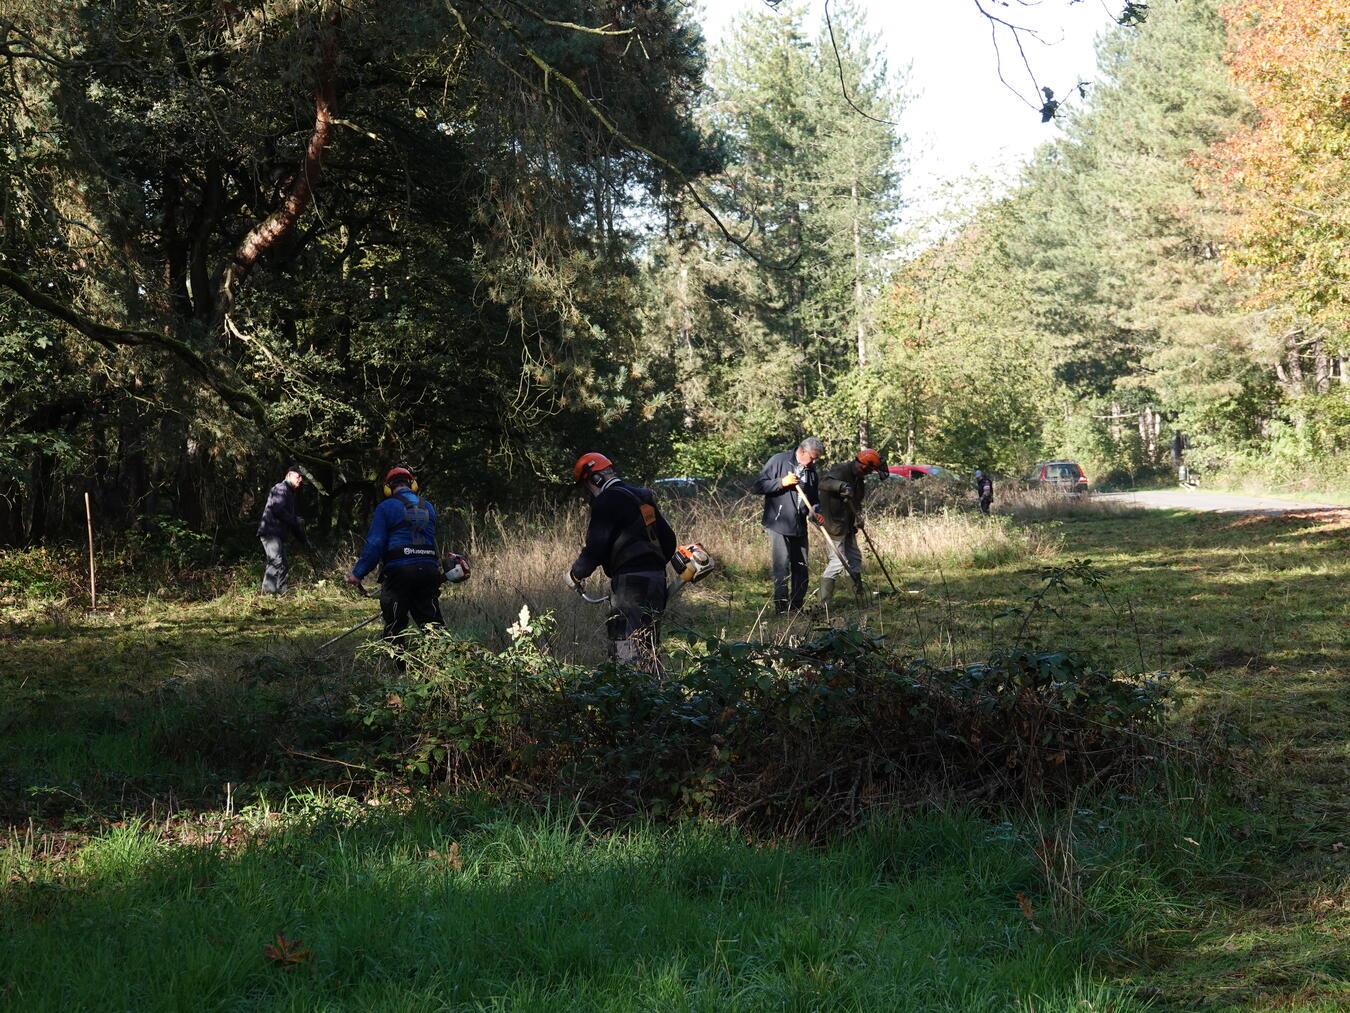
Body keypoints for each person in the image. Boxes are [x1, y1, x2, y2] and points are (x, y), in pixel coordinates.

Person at [566, 452, 678, 668]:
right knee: (649, 645)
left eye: (586, 486)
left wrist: (575, 574)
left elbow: (595, 548)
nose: (588, 493)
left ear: (595, 479)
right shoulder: (642, 495)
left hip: (630, 586)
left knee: (624, 646)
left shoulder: (607, 501)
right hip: (656, 581)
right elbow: (669, 541)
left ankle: (630, 695)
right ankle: (657, 695)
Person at [346, 466, 446, 643]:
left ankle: (398, 666)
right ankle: (445, 661)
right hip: (429, 571)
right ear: (412, 484)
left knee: (395, 623)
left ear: (388, 488)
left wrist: (358, 573)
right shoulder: (428, 507)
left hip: (399, 573)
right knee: (432, 623)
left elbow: (375, 544)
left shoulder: (386, 507)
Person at [754, 437, 823, 614]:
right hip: (778, 522)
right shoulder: (779, 460)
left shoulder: (811, 472)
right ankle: (781, 608)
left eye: (816, 459)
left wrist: (816, 513)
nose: (814, 462)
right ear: (802, 452)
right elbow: (758, 485)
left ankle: (796, 606)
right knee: (782, 566)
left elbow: (813, 501)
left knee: (801, 566)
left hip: (799, 525)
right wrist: (781, 483)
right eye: (812, 458)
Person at [817, 448, 887, 606]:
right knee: (837, 562)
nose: (869, 473)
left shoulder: (858, 479)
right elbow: (823, 483)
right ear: (863, 466)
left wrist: (858, 517)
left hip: (848, 525)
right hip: (833, 525)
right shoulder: (841, 471)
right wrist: (841, 486)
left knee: (855, 558)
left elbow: (856, 502)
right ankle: (822, 604)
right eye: (869, 470)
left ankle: (859, 598)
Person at [257, 465, 308, 595]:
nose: (300, 479)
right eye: (298, 476)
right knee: (276, 561)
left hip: (277, 534)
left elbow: (290, 520)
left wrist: (303, 539)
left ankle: (282, 594)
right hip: (270, 532)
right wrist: (296, 520)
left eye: (301, 477)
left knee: (283, 564)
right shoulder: (281, 488)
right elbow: (278, 510)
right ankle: (268, 596)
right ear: (289, 475)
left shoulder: (289, 493)